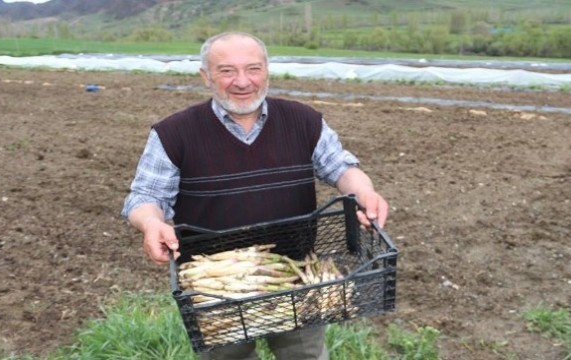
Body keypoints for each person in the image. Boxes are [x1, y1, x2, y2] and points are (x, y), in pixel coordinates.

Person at [121, 31, 389, 360]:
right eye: (227, 71)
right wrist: (151, 223)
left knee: (305, 355)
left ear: (267, 70)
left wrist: (364, 191)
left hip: (294, 276)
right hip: (218, 289)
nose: (242, 82)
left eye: (253, 69)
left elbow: (341, 168)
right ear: (205, 76)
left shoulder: (303, 120)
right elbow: (144, 197)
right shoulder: (174, 133)